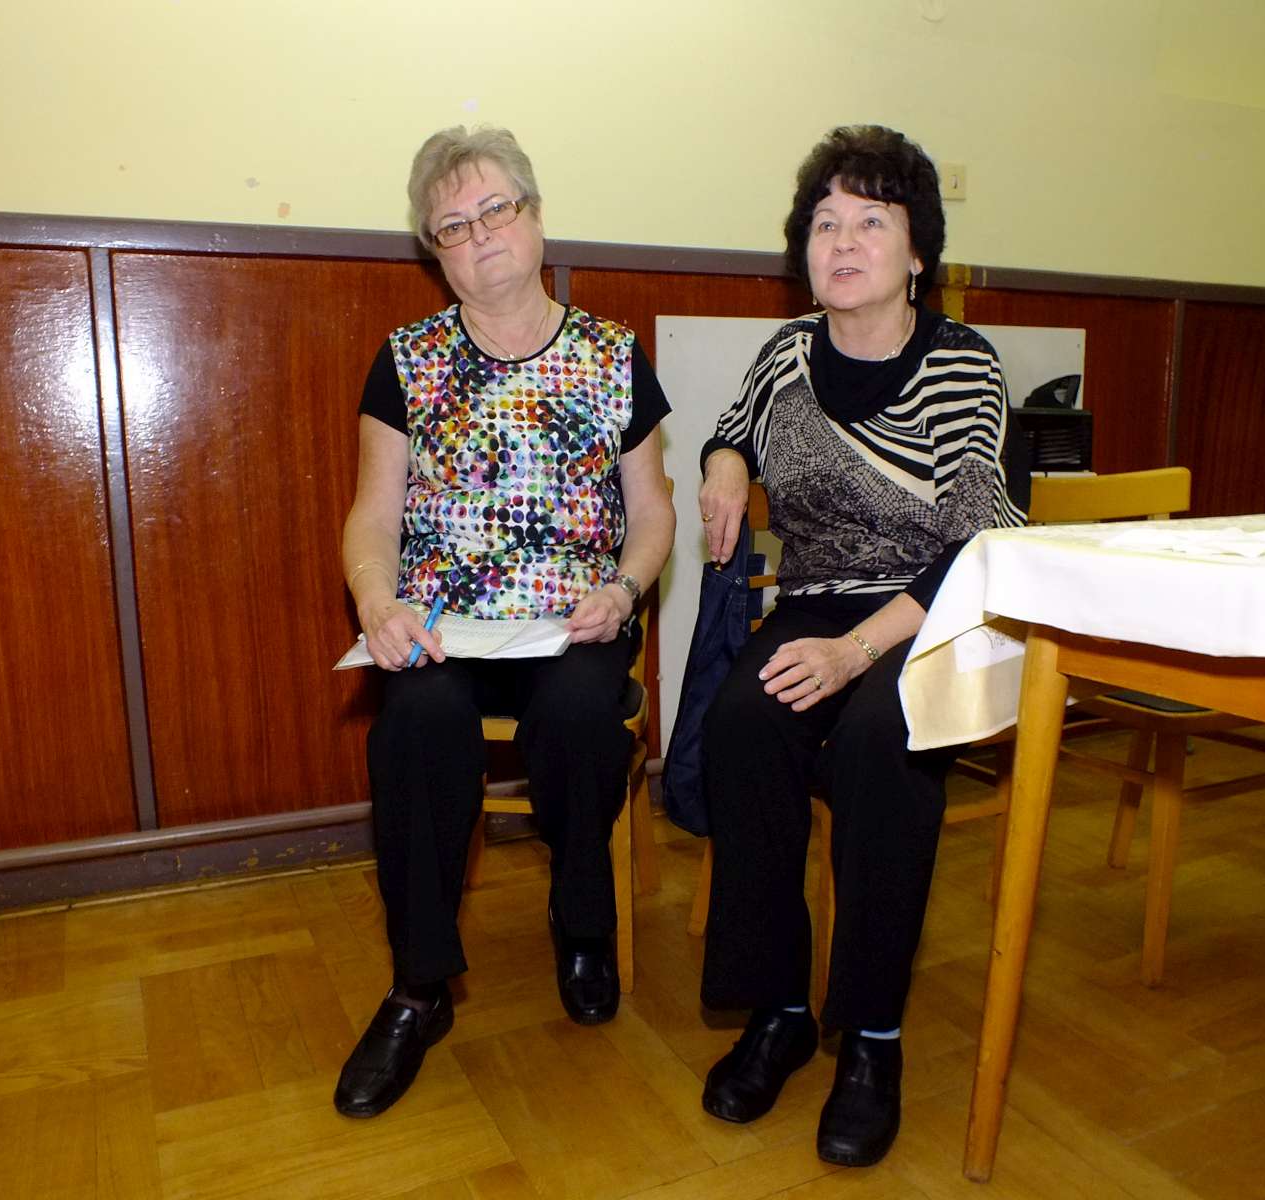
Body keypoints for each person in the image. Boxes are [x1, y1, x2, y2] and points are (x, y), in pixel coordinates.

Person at [692, 125, 1025, 1167]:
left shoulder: (961, 363)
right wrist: (724, 467)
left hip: (934, 608)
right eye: (824, 223)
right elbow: (732, 427)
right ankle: (782, 1009)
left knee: (884, 740)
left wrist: (855, 652)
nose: (841, 242)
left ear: (917, 250)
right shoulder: (787, 352)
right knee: (744, 721)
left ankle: (873, 1036)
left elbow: (976, 541)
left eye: (870, 222)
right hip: (818, 597)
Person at [334, 125, 675, 1119]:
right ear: (433, 252)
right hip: (446, 619)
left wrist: (626, 588)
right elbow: (374, 514)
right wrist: (377, 599)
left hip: (576, 617)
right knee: (415, 720)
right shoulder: (407, 359)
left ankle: (582, 921)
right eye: (452, 225)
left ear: (534, 217)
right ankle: (419, 985)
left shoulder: (612, 354)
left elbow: (652, 514)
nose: (479, 234)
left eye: (495, 210)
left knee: (579, 714)